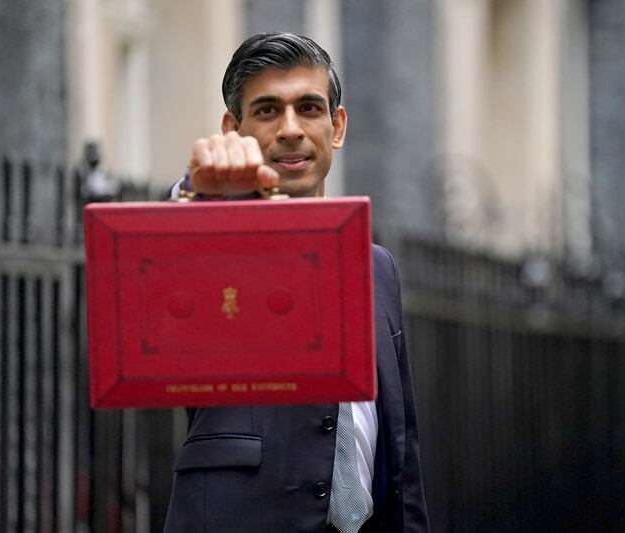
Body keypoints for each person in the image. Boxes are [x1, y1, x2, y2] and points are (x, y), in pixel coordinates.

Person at [162, 32, 429, 533]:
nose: (290, 129)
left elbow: (401, 446)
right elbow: (161, 275)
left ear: (337, 126)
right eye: (266, 110)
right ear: (232, 129)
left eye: (309, 107)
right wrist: (197, 192)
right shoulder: (213, 236)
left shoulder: (378, 267)